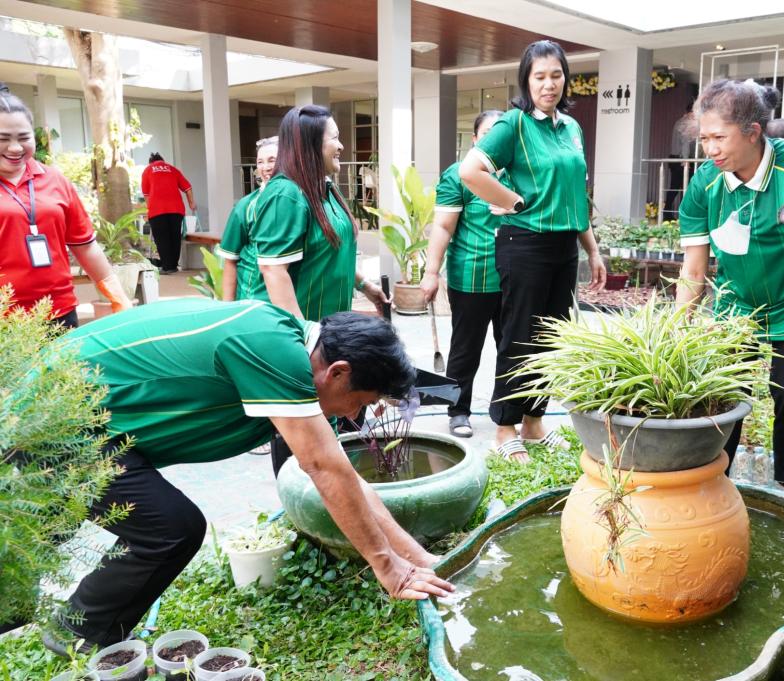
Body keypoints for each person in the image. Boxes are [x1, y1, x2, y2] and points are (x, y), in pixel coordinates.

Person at [44, 298, 454, 654]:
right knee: (169, 528)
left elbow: (347, 477)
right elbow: (324, 469)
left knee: (132, 524)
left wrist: (418, 559)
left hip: (85, 420)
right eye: (358, 403)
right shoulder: (270, 350)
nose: (351, 416)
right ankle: (79, 632)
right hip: (54, 420)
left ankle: (81, 623)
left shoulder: (285, 344)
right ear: (339, 373)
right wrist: (387, 568)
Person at [675, 78, 784, 488]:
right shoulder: (704, 184)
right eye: (704, 139)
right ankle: (717, 482)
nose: (710, 150)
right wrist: (676, 329)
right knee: (725, 396)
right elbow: (694, 269)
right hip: (736, 306)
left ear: (752, 132)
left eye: (719, 137)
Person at [460, 40, 606, 463]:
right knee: (518, 337)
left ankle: (534, 423)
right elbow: (471, 171)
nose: (549, 84)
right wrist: (512, 201)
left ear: (566, 78)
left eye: (556, 75)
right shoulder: (514, 124)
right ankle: (504, 428)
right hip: (523, 245)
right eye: (540, 76)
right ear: (526, 79)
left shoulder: (571, 129)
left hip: (564, 246)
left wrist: (592, 251)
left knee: (549, 339)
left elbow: (576, 194)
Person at [239, 105, 387, 321]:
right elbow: (273, 270)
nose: (341, 146)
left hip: (330, 327)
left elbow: (331, 253)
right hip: (299, 334)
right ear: (311, 144)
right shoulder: (286, 194)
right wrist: (307, 337)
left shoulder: (326, 188)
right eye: (335, 138)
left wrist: (365, 286)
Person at [0, 84, 131, 328]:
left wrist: (119, 298)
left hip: (58, 312)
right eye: (3, 139)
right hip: (5, 321)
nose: (16, 148)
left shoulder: (54, 180)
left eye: (24, 137)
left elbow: (85, 246)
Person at [421, 110, 507, 439]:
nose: (492, 140)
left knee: (510, 348)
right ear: (474, 140)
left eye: (498, 134)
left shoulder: (516, 174)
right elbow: (443, 226)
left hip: (514, 280)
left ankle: (504, 412)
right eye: (486, 134)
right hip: (471, 278)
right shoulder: (458, 175)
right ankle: (457, 411)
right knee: (465, 349)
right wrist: (431, 272)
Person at [218, 136, 278, 301]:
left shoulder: (298, 201)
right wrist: (228, 310)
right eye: (260, 162)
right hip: (253, 303)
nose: (265, 167)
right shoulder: (245, 206)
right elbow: (230, 260)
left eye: (272, 160)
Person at [141, 152, 196, 274]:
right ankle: (173, 265)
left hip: (157, 210)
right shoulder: (173, 169)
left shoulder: (148, 170)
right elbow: (188, 187)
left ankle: (167, 267)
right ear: (163, 161)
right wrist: (191, 203)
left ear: (151, 162)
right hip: (176, 209)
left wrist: (149, 209)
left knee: (162, 238)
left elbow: (146, 195)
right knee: (174, 237)